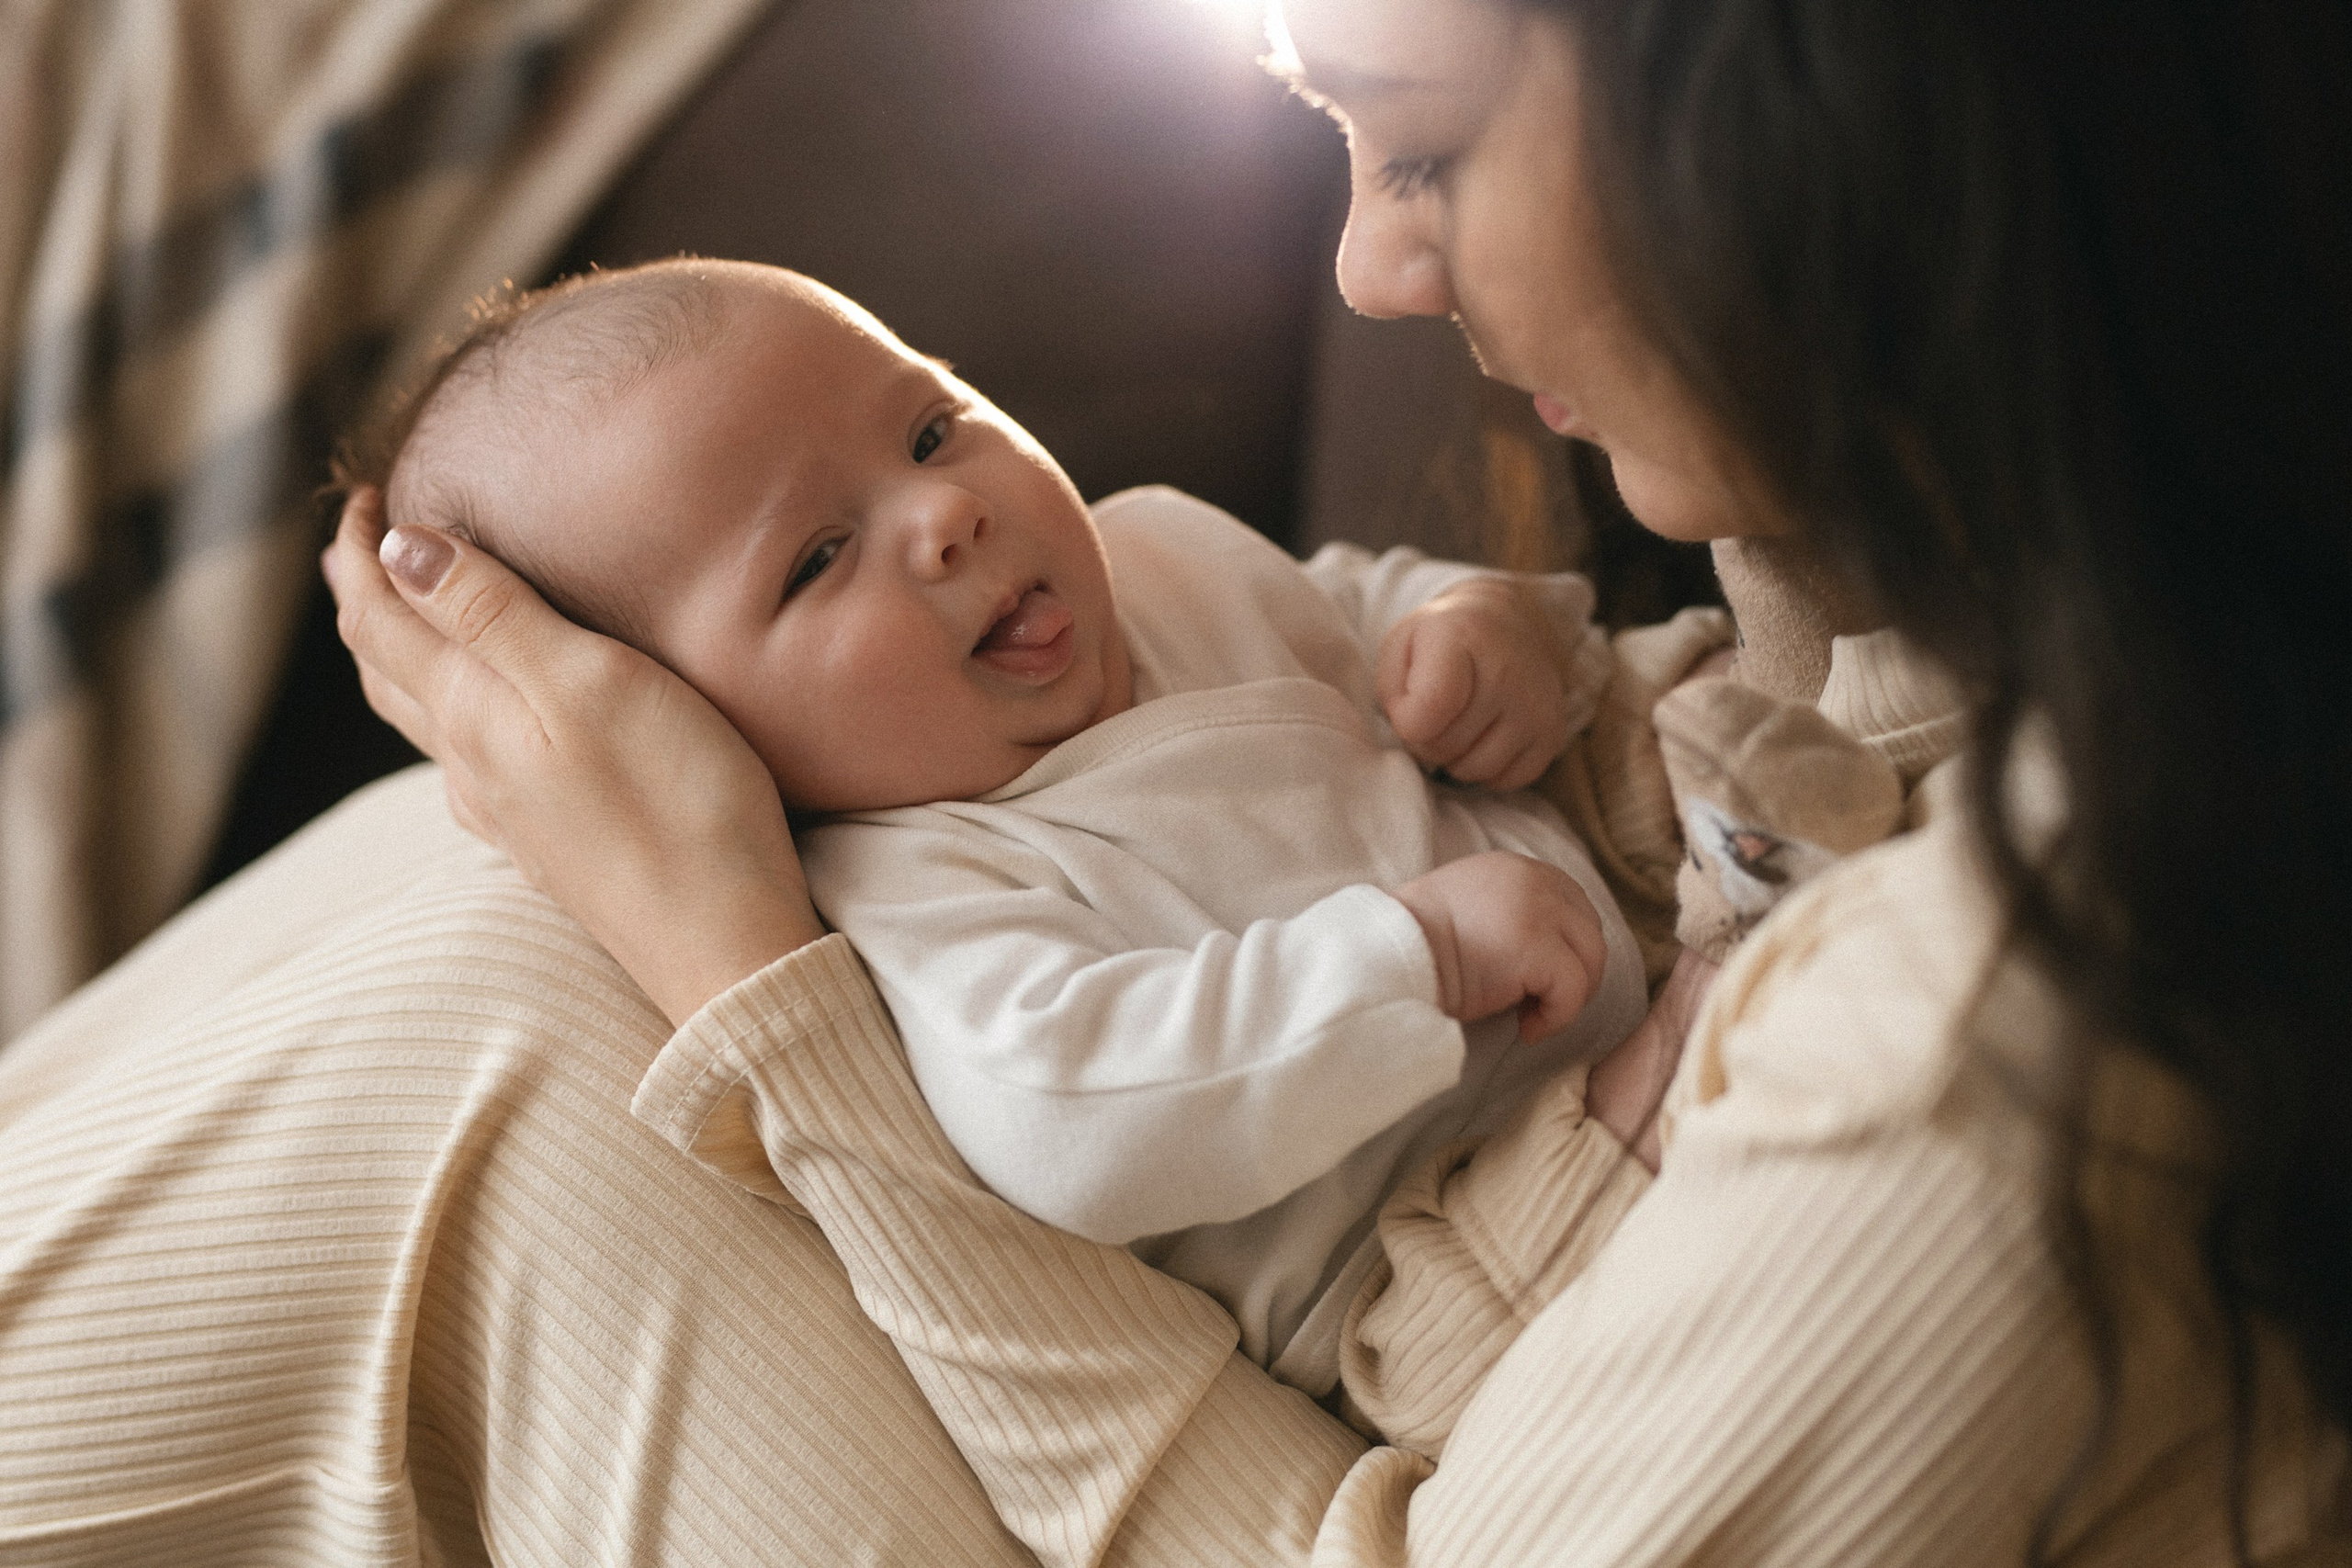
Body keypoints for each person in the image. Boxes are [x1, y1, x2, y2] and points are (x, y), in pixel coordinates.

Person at [3, 2, 2345, 1565]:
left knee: (507, 1013)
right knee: (491, 915)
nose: (1368, 266)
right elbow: (1581, 725)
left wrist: (752, 983)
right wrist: (1521, 662)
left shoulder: (2011, 1015)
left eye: (1422, 141)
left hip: (1346, 1388)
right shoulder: (1925, 555)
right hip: (1380, 1198)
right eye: (811, 559)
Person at [337, 256, 1646, 1383]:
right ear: (685, 729)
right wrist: (1420, 961)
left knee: (1685, 723)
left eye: (930, 429)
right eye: (815, 559)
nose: (946, 512)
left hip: (1614, 968)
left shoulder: (1160, 551)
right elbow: (1076, 1116)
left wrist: (1482, 630)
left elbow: (1357, 603)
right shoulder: (916, 880)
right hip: (1450, 1258)